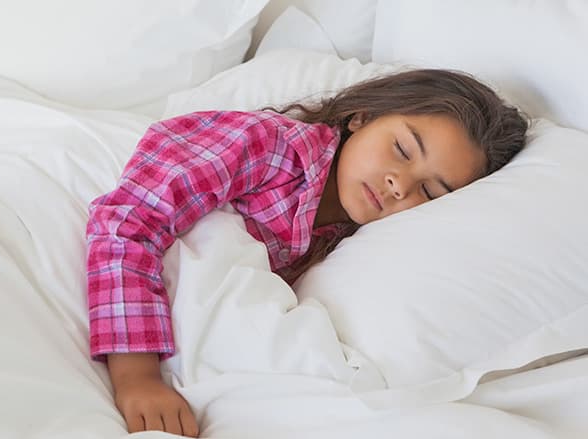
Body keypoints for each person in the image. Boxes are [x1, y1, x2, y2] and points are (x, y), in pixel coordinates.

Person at [85, 69, 528, 437]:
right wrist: (136, 377)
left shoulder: (355, 241)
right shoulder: (267, 147)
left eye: (430, 191)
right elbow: (130, 221)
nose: (400, 184)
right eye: (402, 149)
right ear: (360, 117)